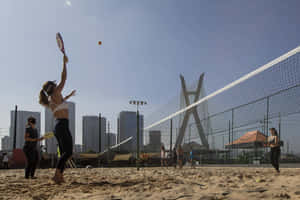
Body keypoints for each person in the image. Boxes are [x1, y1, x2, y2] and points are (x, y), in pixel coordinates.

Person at [39, 54, 76, 184]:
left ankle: (59, 175)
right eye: (55, 85)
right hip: (61, 125)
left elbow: (62, 103)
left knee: (66, 153)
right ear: (53, 87)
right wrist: (64, 63)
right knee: (68, 152)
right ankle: (57, 175)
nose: (57, 85)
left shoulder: (52, 98)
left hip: (60, 125)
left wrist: (69, 95)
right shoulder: (55, 93)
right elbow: (64, 78)